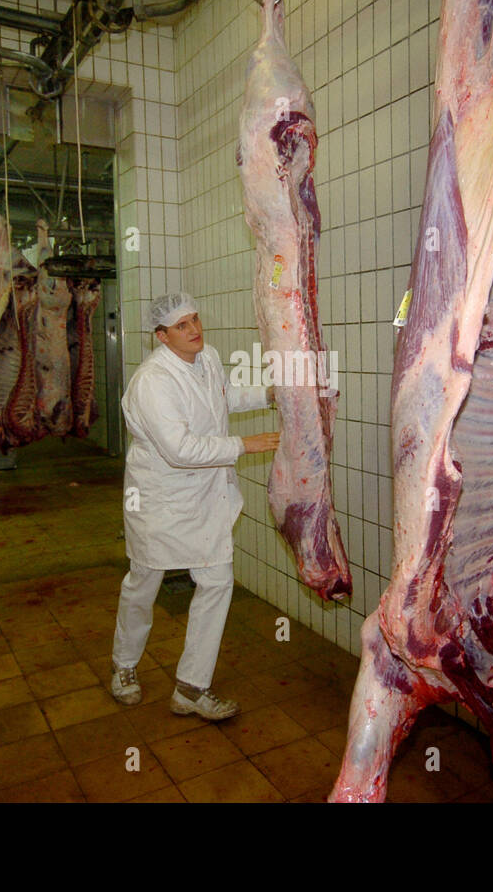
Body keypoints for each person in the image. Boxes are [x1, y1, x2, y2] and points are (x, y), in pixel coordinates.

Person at [109, 292, 279, 721]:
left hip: (205, 497)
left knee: (217, 581)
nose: (195, 330)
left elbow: (223, 397)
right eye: (182, 326)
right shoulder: (152, 382)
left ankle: (191, 687)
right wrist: (246, 444)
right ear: (162, 337)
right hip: (162, 502)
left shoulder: (208, 358)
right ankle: (125, 666)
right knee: (143, 584)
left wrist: (269, 394)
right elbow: (179, 449)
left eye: (195, 320)